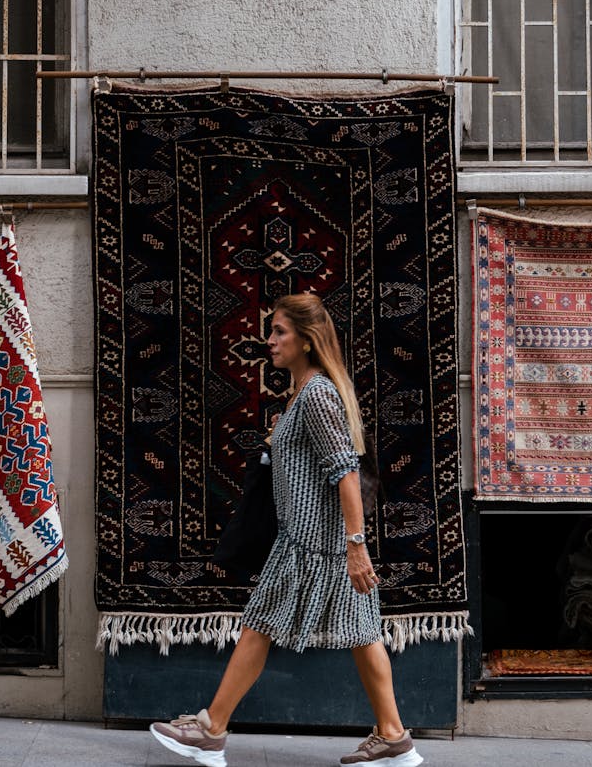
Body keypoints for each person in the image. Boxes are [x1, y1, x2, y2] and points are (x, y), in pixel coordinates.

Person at [150, 293, 422, 767]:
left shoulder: (316, 393)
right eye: (271, 330)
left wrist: (356, 547)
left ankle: (212, 729)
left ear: (308, 340)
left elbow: (346, 473)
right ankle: (393, 736)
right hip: (319, 542)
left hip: (313, 546)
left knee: (257, 627)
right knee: (364, 633)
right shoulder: (304, 394)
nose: (269, 340)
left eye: (279, 332)